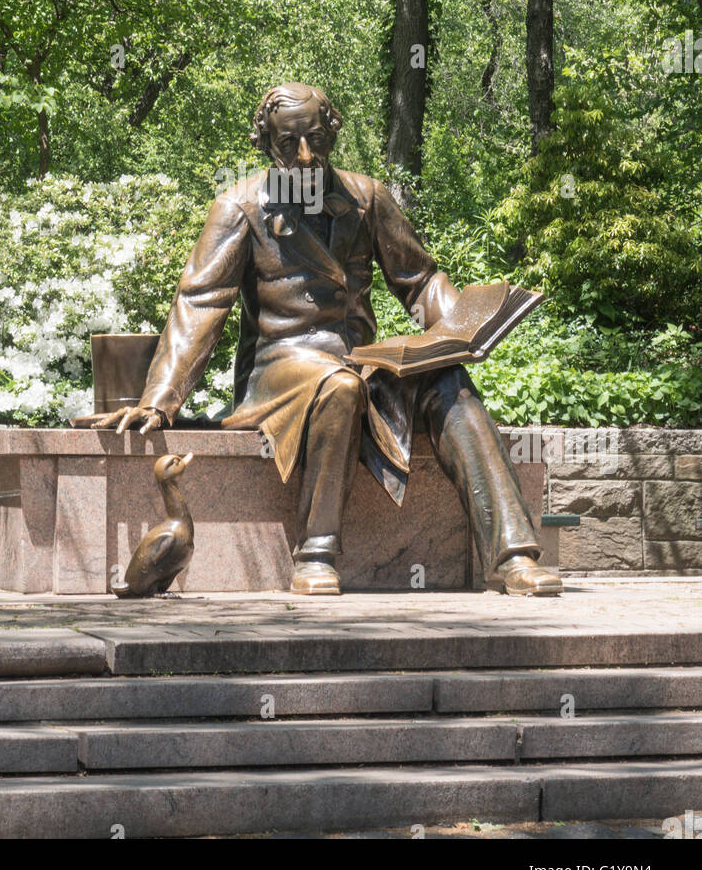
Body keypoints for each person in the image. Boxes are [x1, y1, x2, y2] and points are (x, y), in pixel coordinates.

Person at [90, 82, 561, 598]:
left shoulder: (367, 198)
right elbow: (201, 302)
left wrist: (460, 329)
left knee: (451, 381)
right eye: (289, 144)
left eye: (316, 139)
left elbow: (420, 281)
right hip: (281, 368)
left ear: (332, 134)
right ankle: (315, 553)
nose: (305, 156)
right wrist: (161, 399)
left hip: (360, 360)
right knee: (338, 387)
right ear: (267, 143)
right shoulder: (240, 205)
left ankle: (514, 554)